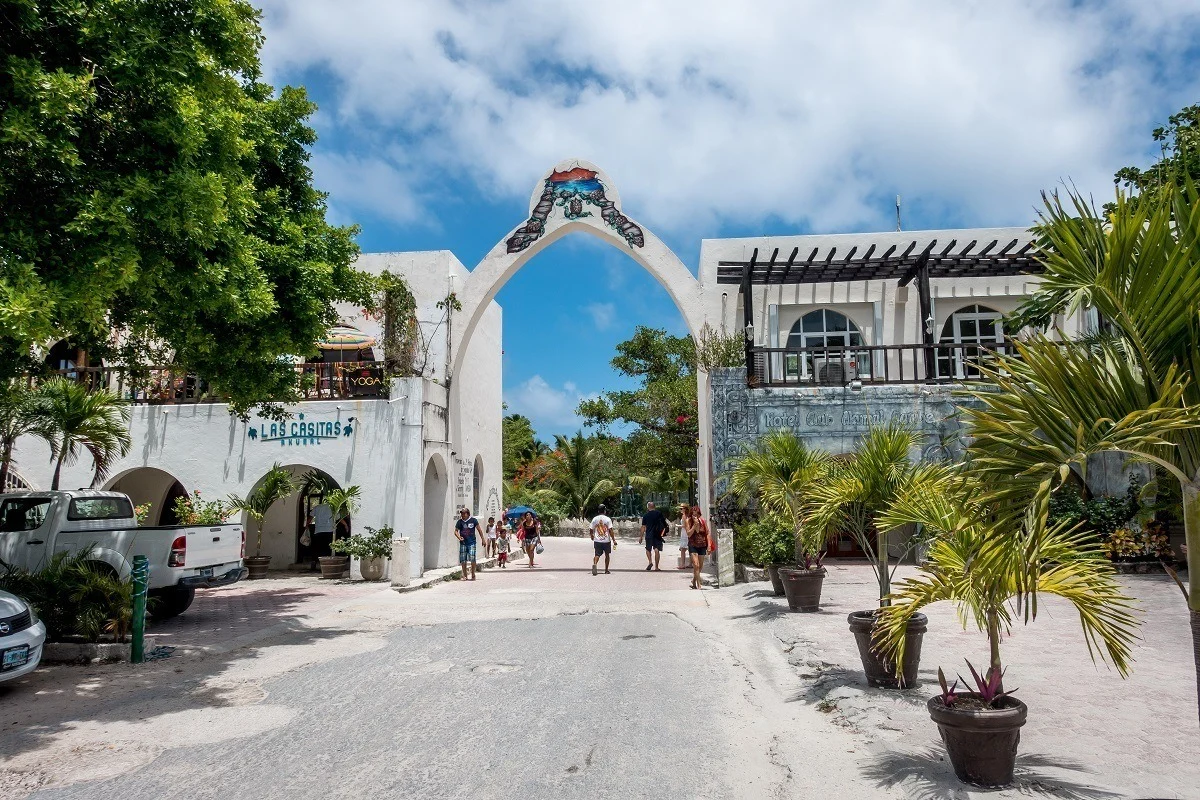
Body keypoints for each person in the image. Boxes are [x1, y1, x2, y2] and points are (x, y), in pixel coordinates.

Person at [453, 507, 481, 581]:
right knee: (463, 560)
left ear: (468, 514)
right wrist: (459, 537)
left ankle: (473, 574)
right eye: (461, 513)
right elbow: (455, 531)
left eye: (464, 513)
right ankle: (465, 575)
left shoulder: (473, 520)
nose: (462, 515)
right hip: (463, 543)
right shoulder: (460, 522)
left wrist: (483, 540)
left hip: (472, 542)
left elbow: (479, 530)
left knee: (472, 558)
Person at [639, 501, 668, 571]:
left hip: (649, 534)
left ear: (648, 507)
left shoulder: (646, 515)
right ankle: (656, 567)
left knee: (648, 549)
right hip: (657, 534)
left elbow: (643, 527)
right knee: (656, 549)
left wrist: (641, 537)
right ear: (654, 506)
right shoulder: (659, 514)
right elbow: (664, 523)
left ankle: (650, 562)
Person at [687, 505, 710, 590]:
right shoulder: (688, 521)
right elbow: (689, 534)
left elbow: (707, 533)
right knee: (696, 565)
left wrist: (709, 546)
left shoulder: (703, 521)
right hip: (693, 544)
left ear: (699, 514)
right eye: (693, 515)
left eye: (697, 514)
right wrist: (694, 525)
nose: (695, 516)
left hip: (702, 544)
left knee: (700, 566)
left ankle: (693, 581)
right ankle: (698, 584)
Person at [590, 504, 615, 576]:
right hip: (606, 540)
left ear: (598, 511)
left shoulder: (595, 519)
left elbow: (591, 529)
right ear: (605, 511)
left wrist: (592, 536)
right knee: (607, 555)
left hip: (597, 540)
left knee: (597, 554)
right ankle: (606, 570)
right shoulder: (607, 519)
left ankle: (595, 564)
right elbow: (610, 530)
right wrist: (613, 540)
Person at [677, 504, 692, 569]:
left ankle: (683, 564)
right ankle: (690, 564)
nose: (680, 510)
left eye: (681, 508)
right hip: (688, 532)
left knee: (683, 549)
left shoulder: (684, 516)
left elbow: (684, 525)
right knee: (689, 549)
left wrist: (677, 526)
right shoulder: (688, 516)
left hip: (684, 533)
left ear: (685, 509)